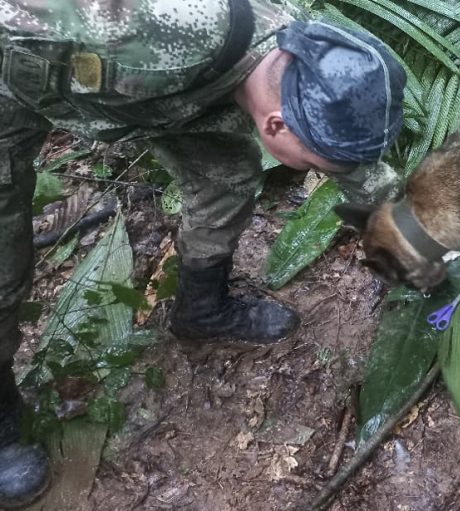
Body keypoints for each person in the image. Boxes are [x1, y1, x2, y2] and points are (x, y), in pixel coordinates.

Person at [0, 0, 407, 507]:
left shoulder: (299, 57)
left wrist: (414, 232)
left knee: (226, 179)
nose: (314, 173)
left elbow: (351, 159)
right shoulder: (138, 36)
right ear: (277, 127)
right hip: (18, 66)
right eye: (313, 166)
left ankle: (201, 310)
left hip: (155, 92)